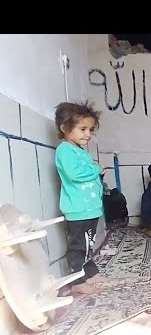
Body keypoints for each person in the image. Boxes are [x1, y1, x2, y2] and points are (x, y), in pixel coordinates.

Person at [54, 101, 108, 295]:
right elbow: (75, 173)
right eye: (83, 129)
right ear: (64, 128)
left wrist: (96, 173)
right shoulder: (65, 150)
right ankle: (77, 281)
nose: (88, 134)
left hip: (89, 208)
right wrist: (95, 169)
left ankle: (90, 273)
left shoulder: (78, 150)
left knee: (88, 244)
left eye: (90, 129)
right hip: (78, 210)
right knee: (79, 247)